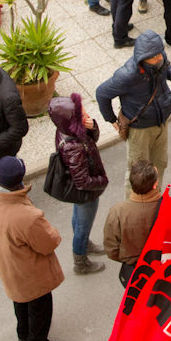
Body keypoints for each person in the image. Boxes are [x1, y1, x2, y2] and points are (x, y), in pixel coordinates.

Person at [0, 155, 66, 341]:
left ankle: (24, 333)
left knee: (19, 300)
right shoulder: (26, 217)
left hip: (6, 262)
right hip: (30, 271)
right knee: (40, 305)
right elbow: (49, 242)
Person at [96, 30, 171, 188]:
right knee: (137, 174)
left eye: (160, 53)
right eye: (154, 56)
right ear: (142, 57)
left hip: (161, 121)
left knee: (160, 163)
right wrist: (111, 120)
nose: (159, 57)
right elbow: (102, 93)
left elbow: (168, 68)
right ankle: (135, 208)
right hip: (140, 129)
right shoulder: (127, 75)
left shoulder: (159, 58)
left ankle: (154, 198)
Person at [103, 160, 171, 286]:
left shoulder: (117, 213)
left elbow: (112, 250)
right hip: (169, 270)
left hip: (137, 276)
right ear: (155, 185)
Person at [50, 93, 109, 275]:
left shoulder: (66, 130)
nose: (86, 116)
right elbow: (83, 181)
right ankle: (81, 263)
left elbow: (92, 140)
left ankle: (85, 244)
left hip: (80, 192)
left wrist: (93, 127)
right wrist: (102, 181)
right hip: (86, 193)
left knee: (79, 221)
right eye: (81, 114)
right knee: (83, 226)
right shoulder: (73, 146)